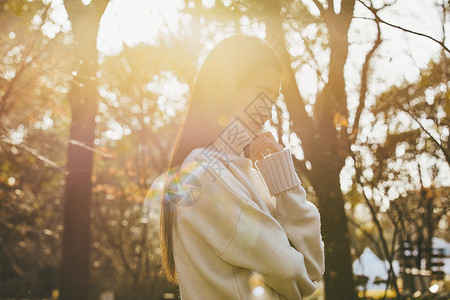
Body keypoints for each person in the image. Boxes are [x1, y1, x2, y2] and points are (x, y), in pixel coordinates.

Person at [156, 34, 325, 300]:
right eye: (262, 93)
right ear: (227, 85)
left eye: (274, 98)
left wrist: (285, 181)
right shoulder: (204, 174)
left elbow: (312, 266)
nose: (269, 111)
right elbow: (296, 274)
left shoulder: (248, 174)